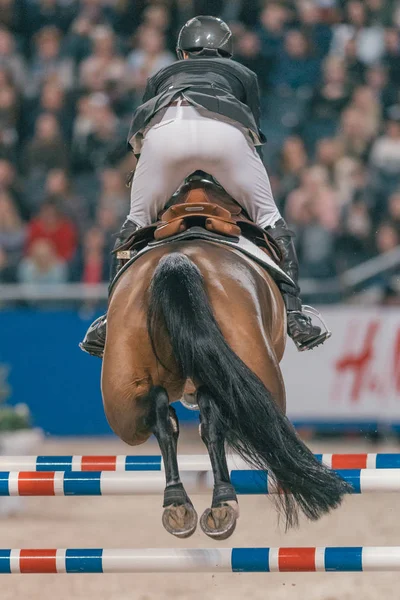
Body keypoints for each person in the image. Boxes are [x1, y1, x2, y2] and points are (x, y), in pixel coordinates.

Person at [81, 15, 325, 358]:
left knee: (134, 223)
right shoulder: (243, 74)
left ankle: (110, 320)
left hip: (166, 134)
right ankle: (296, 316)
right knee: (271, 219)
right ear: (226, 53)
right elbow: (252, 133)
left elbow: (143, 134)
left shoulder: (160, 74)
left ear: (182, 54)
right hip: (223, 134)